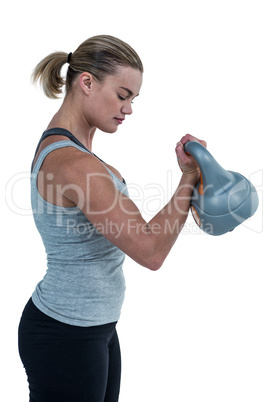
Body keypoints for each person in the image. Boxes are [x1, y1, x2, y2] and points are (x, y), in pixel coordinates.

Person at [18, 34, 206, 402]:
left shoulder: (76, 151)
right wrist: (188, 179)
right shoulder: (73, 164)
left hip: (95, 327)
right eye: (122, 95)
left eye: (133, 99)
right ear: (86, 82)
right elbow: (151, 250)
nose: (129, 109)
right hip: (65, 334)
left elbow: (144, 232)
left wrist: (193, 181)